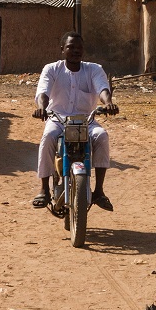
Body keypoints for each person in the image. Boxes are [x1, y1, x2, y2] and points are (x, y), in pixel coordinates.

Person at [32, 32, 119, 211]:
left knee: (102, 136)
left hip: (86, 120)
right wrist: (42, 108)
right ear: (62, 49)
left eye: (79, 47)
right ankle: (43, 189)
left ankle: (99, 191)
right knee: (48, 136)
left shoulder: (94, 69)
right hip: (57, 119)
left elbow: (102, 89)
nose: (75, 51)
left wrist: (108, 103)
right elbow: (43, 92)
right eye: (71, 47)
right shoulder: (52, 69)